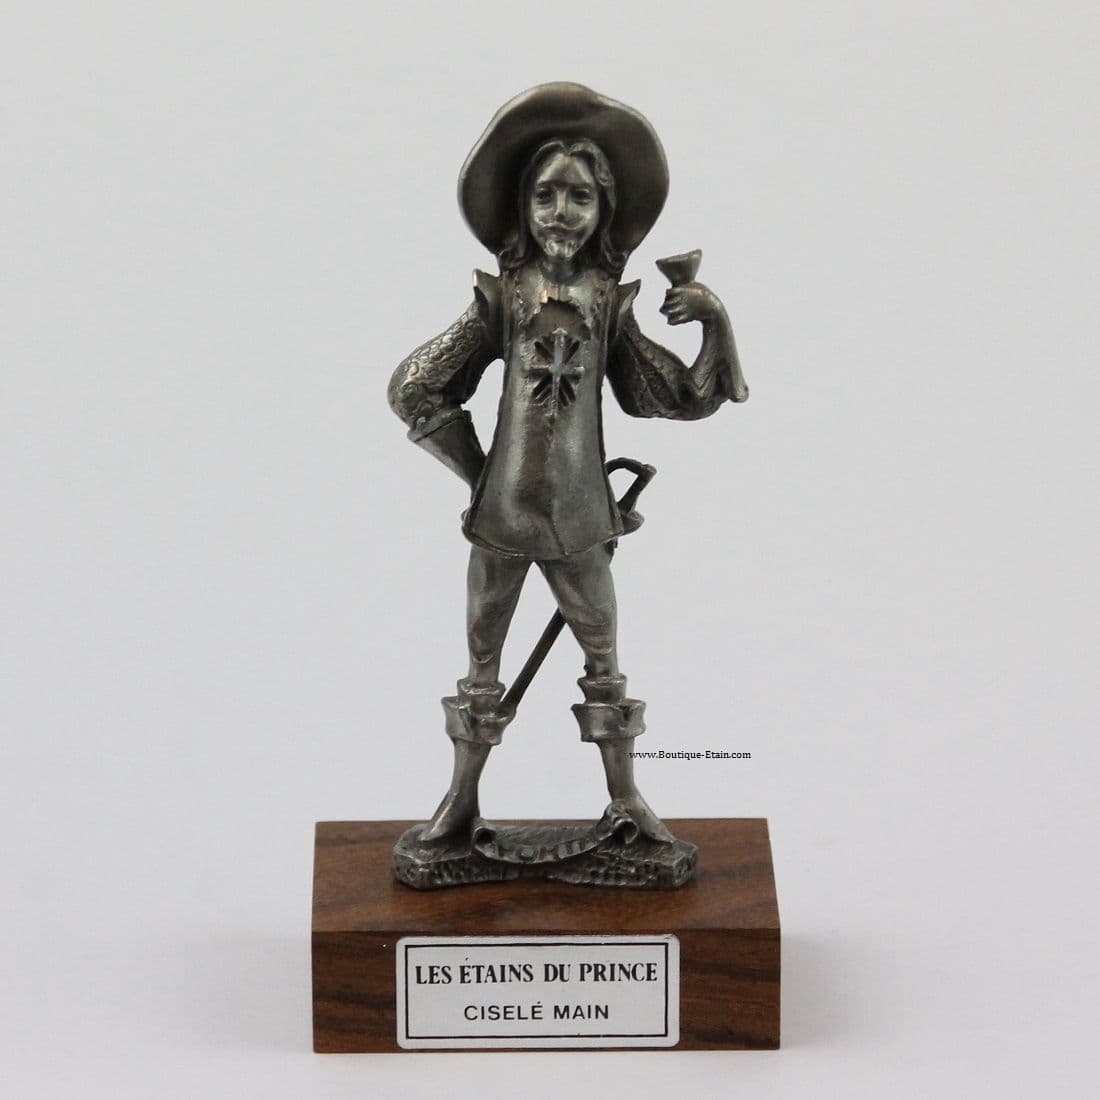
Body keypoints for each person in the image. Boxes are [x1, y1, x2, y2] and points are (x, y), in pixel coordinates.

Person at [387, 83, 748, 845]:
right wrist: (482, 476)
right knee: (482, 667)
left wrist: (715, 323)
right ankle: (460, 802)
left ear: (605, 210)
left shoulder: (609, 304)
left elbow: (673, 397)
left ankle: (626, 799)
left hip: (583, 522)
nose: (561, 211)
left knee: (605, 662)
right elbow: (416, 388)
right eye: (545, 194)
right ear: (520, 206)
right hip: (500, 523)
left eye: (580, 196)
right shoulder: (503, 299)